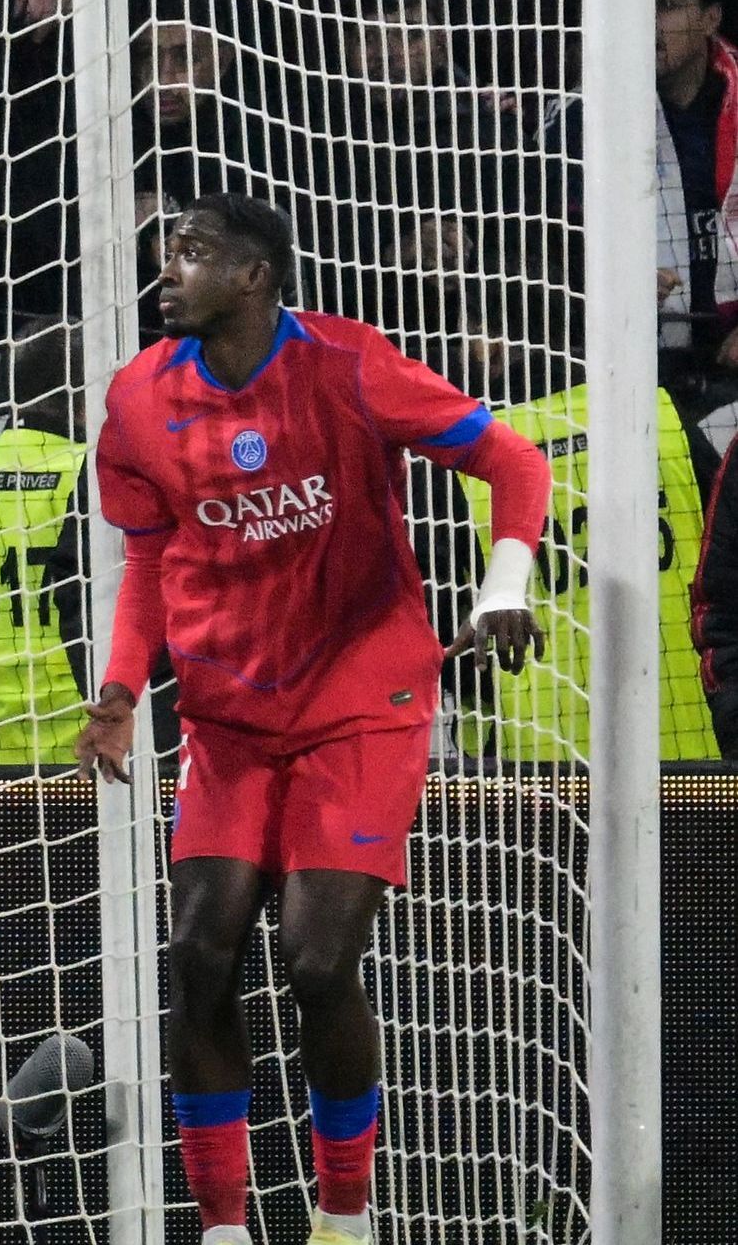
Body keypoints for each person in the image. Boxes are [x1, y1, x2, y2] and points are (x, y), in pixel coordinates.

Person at [79, 191, 556, 1245]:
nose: (168, 272)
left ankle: (343, 1218)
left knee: (317, 960)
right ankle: (223, 1228)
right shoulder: (136, 400)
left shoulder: (348, 365)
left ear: (254, 276)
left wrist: (503, 580)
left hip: (362, 697)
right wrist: (120, 687)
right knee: (201, 954)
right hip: (228, 717)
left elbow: (516, 461)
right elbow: (151, 556)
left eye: (192, 254)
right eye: (166, 255)